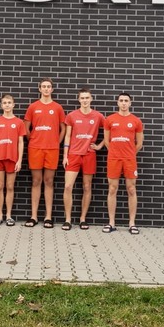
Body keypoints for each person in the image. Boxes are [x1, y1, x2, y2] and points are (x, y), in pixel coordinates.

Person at [23, 78, 65, 228]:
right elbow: (26, 127)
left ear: (52, 89)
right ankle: (33, 216)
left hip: (52, 149)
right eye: (44, 86)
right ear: (39, 89)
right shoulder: (33, 106)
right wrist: (33, 140)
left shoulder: (58, 107)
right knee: (36, 181)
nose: (46, 89)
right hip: (35, 148)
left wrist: (57, 142)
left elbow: (63, 129)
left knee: (49, 181)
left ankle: (48, 217)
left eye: (48, 87)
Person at [62, 87, 104, 231]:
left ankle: (82, 219)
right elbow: (67, 136)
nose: (85, 100)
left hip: (89, 154)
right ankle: (68, 219)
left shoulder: (98, 116)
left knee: (87, 187)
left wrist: (100, 146)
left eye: (87, 98)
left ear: (91, 99)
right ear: (79, 100)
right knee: (68, 186)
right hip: (73, 154)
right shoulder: (72, 115)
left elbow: (109, 131)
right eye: (82, 98)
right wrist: (65, 155)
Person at [103, 92, 144, 235]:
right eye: (121, 100)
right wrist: (115, 152)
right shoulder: (110, 119)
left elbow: (139, 144)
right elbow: (107, 142)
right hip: (114, 158)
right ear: (117, 102)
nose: (124, 103)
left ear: (130, 103)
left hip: (129, 159)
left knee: (131, 189)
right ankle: (111, 223)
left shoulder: (136, 121)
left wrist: (129, 153)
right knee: (112, 189)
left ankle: (132, 223)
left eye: (126, 100)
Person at [0, 93, 26, 227]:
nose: (7, 105)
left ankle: (9, 216)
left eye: (9, 103)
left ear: (13, 105)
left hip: (12, 158)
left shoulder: (19, 122)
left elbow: (21, 142)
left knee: (10, 186)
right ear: (1, 105)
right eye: (4, 103)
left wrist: (19, 160)